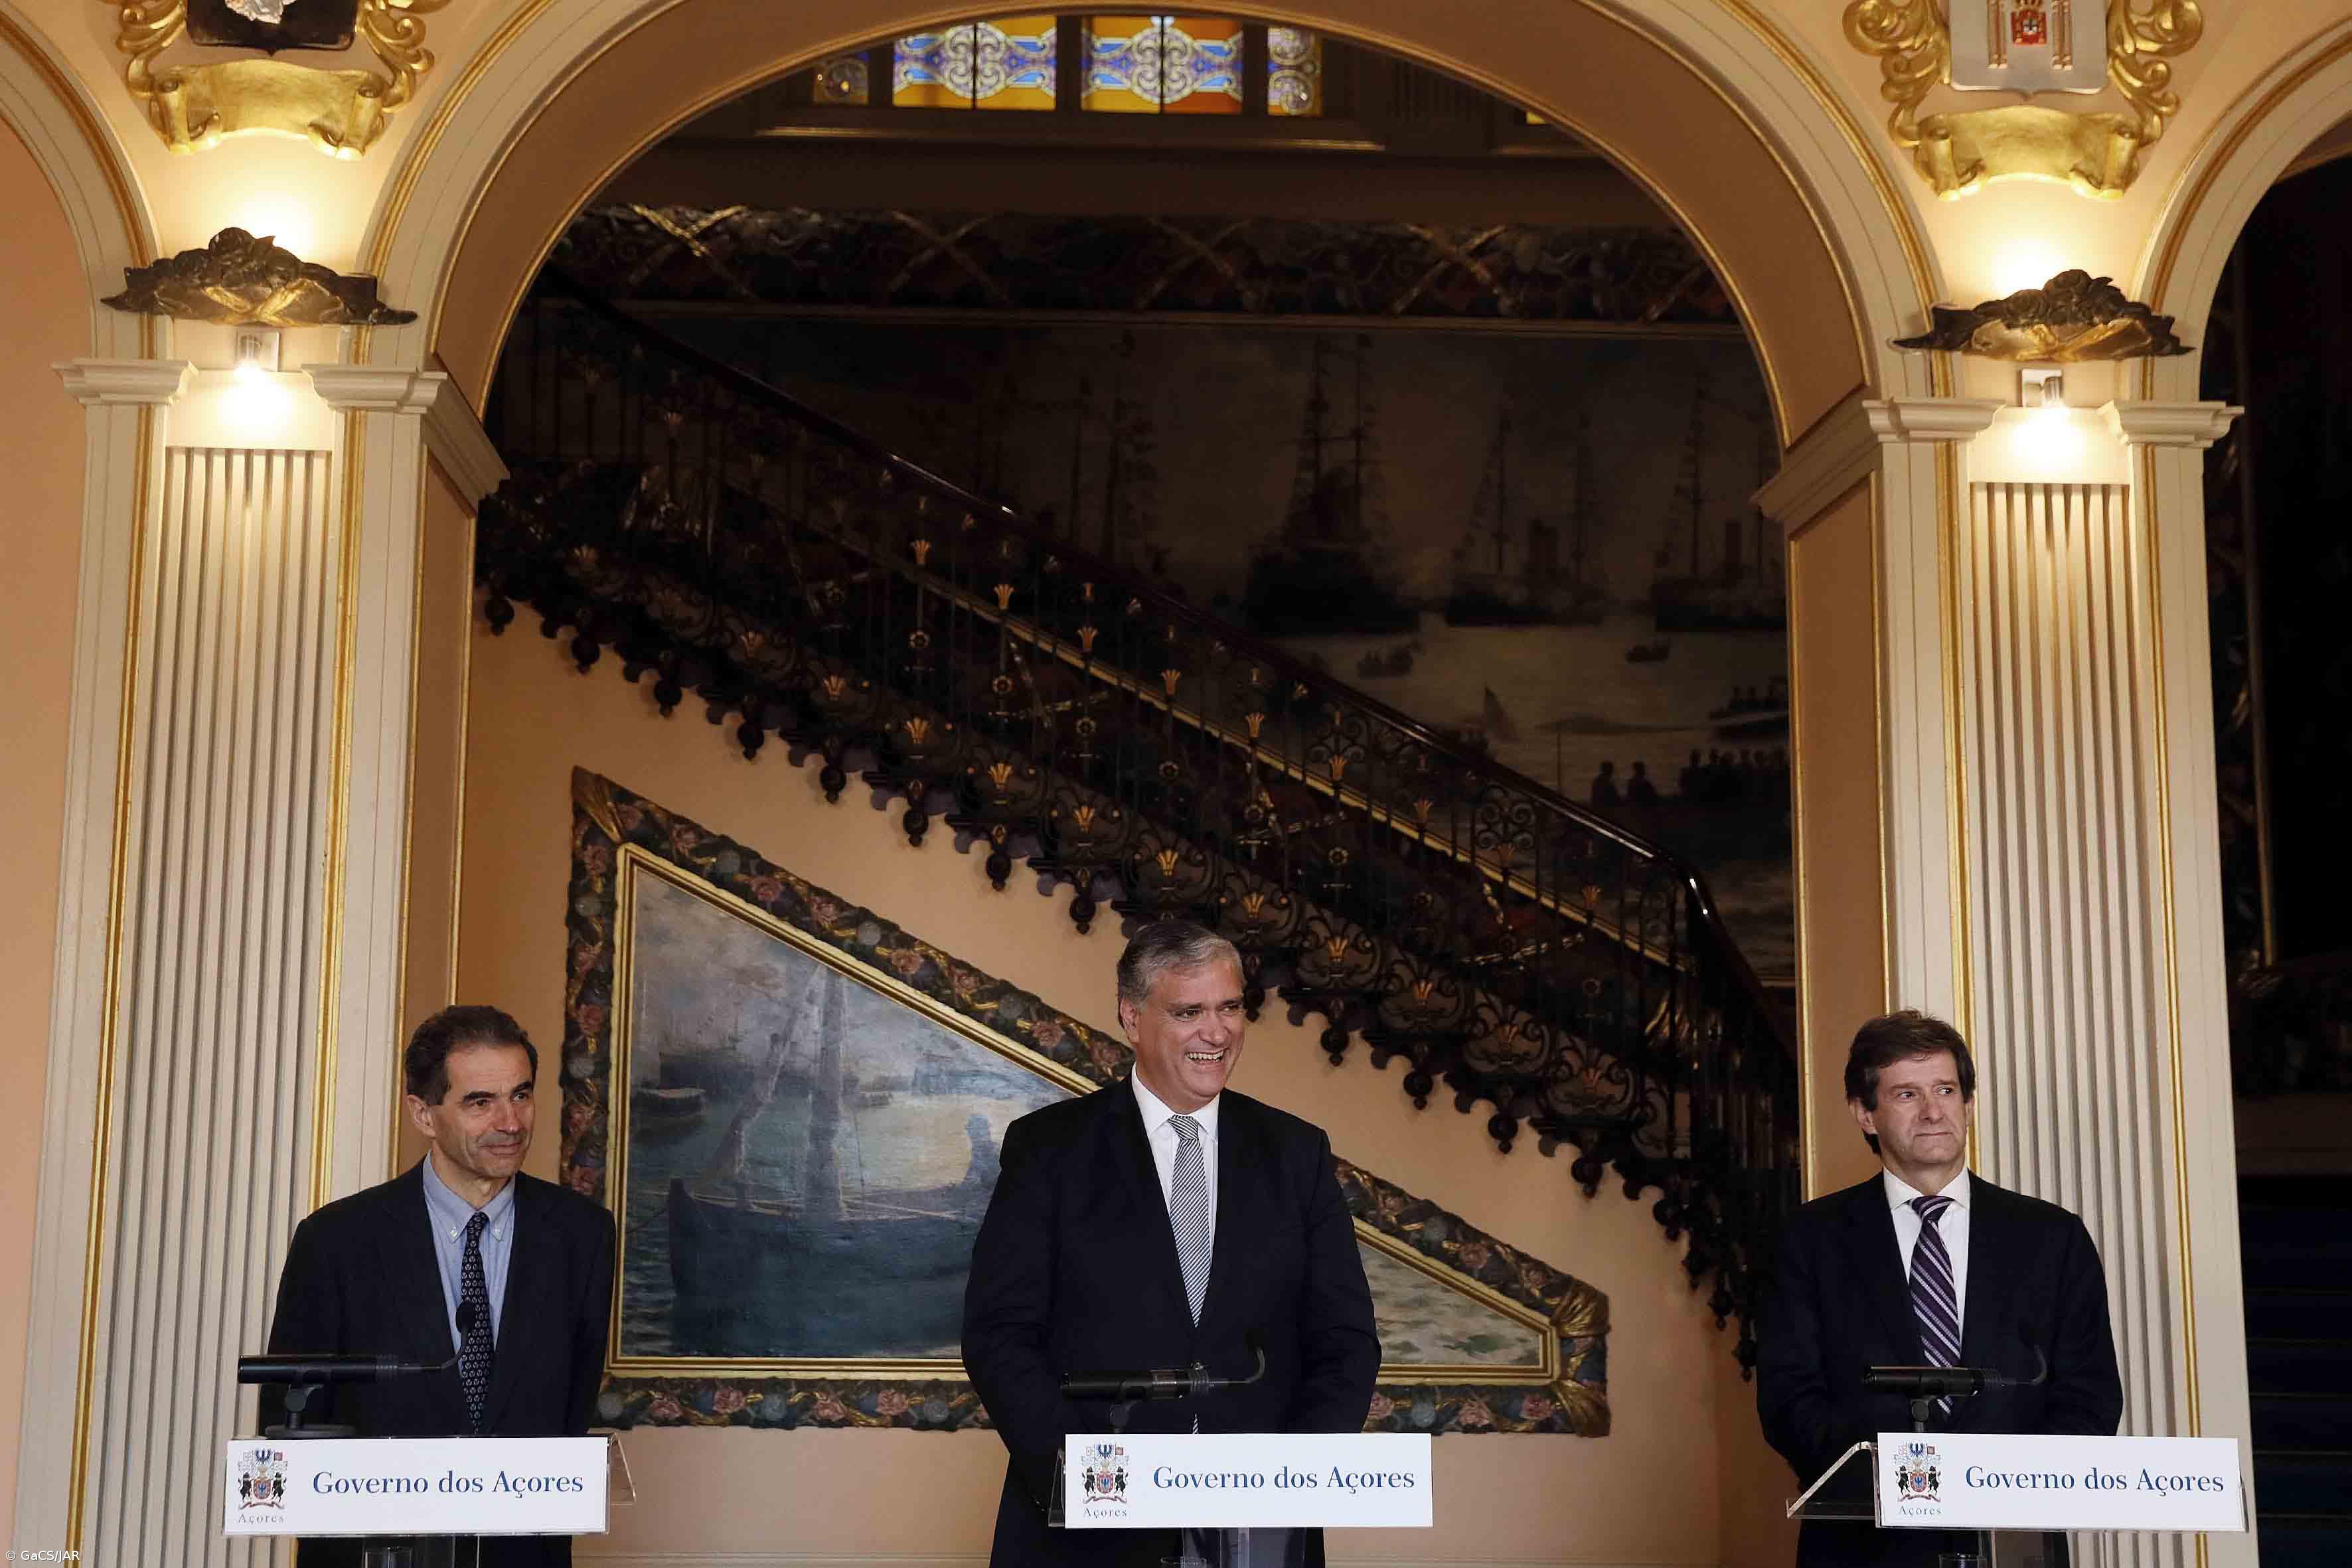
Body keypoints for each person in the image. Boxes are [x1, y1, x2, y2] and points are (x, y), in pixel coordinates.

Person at [962, 921, 1380, 1568]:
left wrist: (1285, 1484)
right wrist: (1094, 1484)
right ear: (1132, 1018)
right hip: (1088, 1537)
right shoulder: (1050, 1149)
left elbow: (1346, 1342)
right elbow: (998, 1334)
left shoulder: (1298, 1155)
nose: (1217, 1033)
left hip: (1259, 1538)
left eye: (1231, 1007)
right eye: (1189, 1012)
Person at [1756, 1011, 2124, 1567]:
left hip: (2013, 1542)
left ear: (1968, 1105)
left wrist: (2007, 1486)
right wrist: (1898, 1481)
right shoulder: (1810, 1239)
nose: (1932, 1111)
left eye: (1946, 1090)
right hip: (1864, 1547)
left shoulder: (2053, 1236)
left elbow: (2089, 1396)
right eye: (1906, 1094)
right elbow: (1788, 1400)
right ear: (1864, 1114)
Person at [264, 1005, 617, 1567]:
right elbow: (293, 1422)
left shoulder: (582, 1234)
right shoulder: (336, 1240)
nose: (510, 1122)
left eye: (521, 1095)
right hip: (372, 1555)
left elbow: (570, 1409)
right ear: (423, 1114)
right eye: (481, 1102)